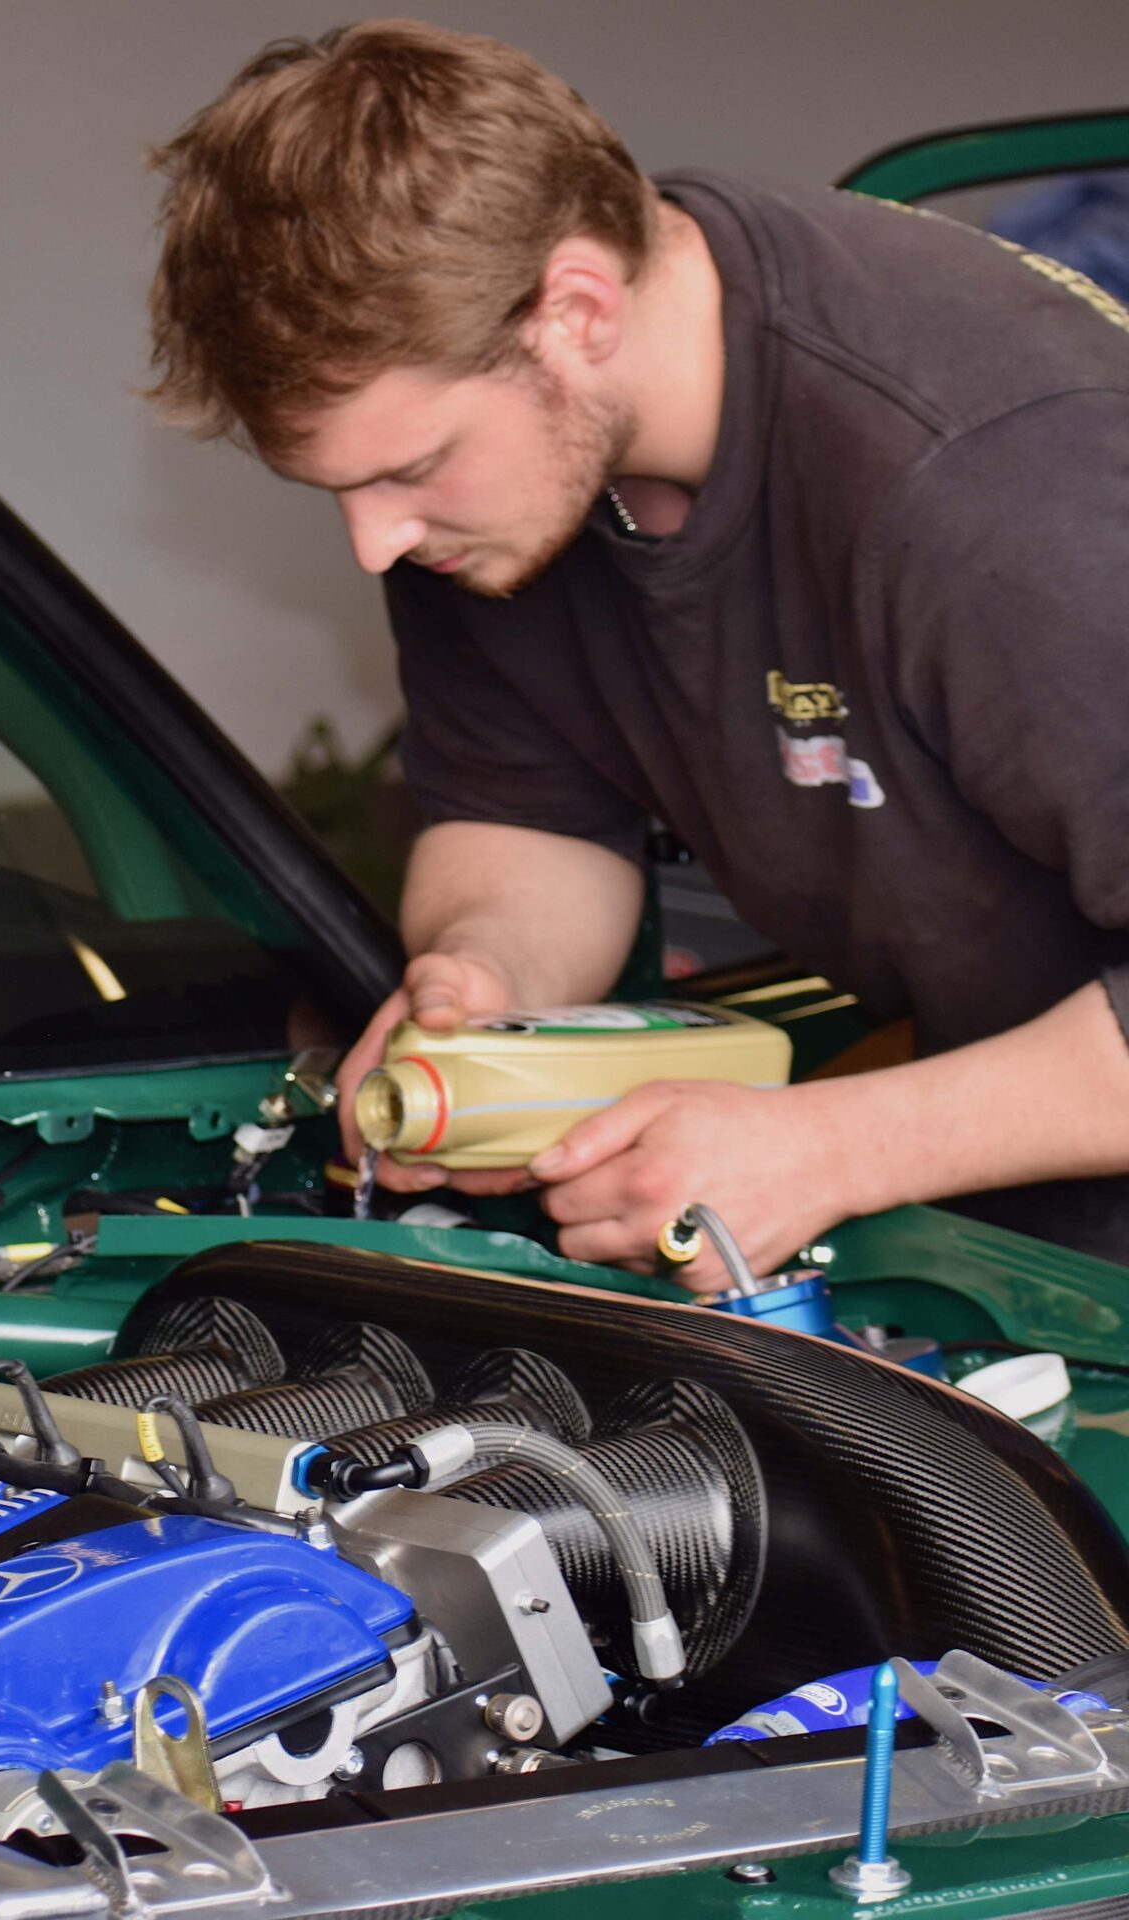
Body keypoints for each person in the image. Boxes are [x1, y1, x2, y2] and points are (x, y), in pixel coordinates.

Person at [147, 21, 1129, 1282]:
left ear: (577, 311)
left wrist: (834, 1148)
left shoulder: (991, 478)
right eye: (335, 488)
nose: (374, 543)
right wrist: (480, 985)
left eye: (408, 469)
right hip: (1015, 1216)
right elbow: (531, 814)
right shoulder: (505, 492)